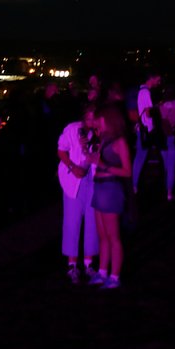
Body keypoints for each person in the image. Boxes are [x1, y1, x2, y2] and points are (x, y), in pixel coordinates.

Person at [87, 104, 132, 290]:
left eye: (99, 119)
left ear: (107, 119)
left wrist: (103, 165)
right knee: (102, 236)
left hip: (111, 189)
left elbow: (127, 171)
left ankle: (115, 276)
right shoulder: (104, 138)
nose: (96, 122)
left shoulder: (119, 141)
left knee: (113, 237)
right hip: (99, 187)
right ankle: (102, 272)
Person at [57, 103, 100, 283]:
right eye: (88, 118)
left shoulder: (99, 133)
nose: (91, 122)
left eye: (94, 118)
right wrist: (73, 167)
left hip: (92, 180)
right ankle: (72, 265)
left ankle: (89, 264)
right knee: (72, 221)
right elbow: (61, 151)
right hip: (73, 180)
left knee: (92, 221)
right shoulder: (73, 129)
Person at [131, 71, 162, 194]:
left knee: (141, 156)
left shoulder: (142, 91)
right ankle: (134, 184)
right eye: (158, 79)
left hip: (142, 128)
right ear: (151, 78)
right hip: (145, 129)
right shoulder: (145, 92)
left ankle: (135, 183)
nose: (159, 82)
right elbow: (148, 113)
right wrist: (157, 108)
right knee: (140, 157)